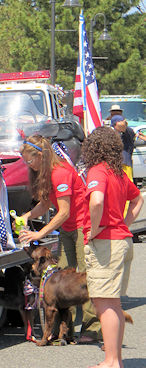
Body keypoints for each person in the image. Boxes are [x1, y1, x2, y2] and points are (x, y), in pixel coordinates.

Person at [17, 135, 101, 343]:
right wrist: (27, 215)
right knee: (61, 276)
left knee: (85, 278)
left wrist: (39, 234)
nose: (29, 165)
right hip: (68, 228)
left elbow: (63, 211)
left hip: (83, 226)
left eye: (30, 160)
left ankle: (92, 329)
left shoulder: (60, 173)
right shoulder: (45, 175)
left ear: (41, 156)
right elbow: (46, 204)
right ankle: (63, 331)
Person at [81, 126, 143, 368]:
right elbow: (138, 199)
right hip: (122, 241)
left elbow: (96, 200)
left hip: (106, 243)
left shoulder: (97, 170)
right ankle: (115, 359)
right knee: (113, 303)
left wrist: (95, 229)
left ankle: (110, 362)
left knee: (104, 304)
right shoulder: (118, 173)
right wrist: (125, 223)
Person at [110, 115, 135, 182]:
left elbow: (124, 126)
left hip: (125, 162)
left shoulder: (128, 131)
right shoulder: (112, 133)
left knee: (128, 183)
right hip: (115, 163)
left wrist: (123, 123)